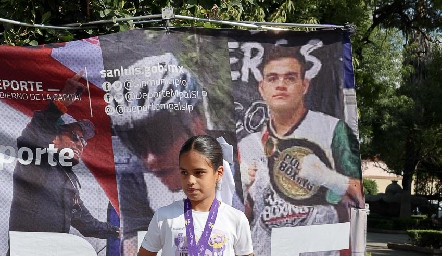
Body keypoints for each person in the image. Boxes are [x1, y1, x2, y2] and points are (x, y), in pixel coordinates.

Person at [238, 45, 364, 256]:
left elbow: (359, 197)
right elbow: (243, 219)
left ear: (304, 85)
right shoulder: (248, 145)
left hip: (319, 249)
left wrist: (330, 178)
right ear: (262, 87)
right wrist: (240, 192)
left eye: (289, 78)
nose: (280, 85)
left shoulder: (332, 130)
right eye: (272, 78)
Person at [8, 73, 119, 244]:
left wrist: (118, 231)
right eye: (75, 136)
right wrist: (61, 103)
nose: (80, 144)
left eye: (83, 141)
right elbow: (32, 136)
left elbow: (87, 224)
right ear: (54, 138)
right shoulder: (36, 161)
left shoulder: (69, 179)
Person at [138, 135, 253, 256]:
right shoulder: (163, 217)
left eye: (199, 173)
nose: (190, 180)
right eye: (184, 172)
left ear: (218, 174)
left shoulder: (236, 219)